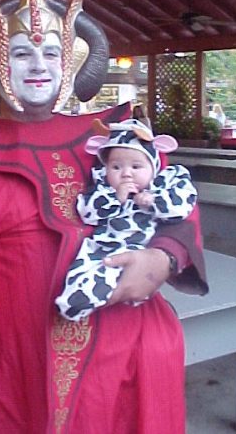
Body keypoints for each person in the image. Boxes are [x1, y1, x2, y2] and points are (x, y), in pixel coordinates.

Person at [0, 0, 207, 434]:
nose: (38, 66)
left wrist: (164, 258)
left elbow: (178, 201)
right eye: (22, 52)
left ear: (69, 61)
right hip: (26, 378)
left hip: (138, 361)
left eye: (51, 52)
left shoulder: (112, 136)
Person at [56, 118, 198, 321]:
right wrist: (116, 198)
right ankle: (72, 304)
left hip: (135, 247)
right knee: (81, 277)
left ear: (152, 166)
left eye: (136, 167)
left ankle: (100, 298)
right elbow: (87, 212)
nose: (126, 174)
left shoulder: (164, 183)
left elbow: (183, 207)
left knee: (115, 278)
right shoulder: (104, 188)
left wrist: (154, 201)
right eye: (116, 167)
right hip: (99, 247)